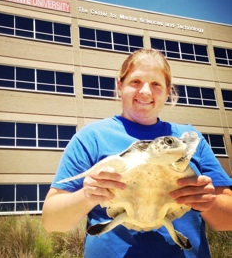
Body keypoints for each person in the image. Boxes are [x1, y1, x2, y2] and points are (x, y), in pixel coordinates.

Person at [42, 49, 232, 258]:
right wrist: (86, 196)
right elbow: (51, 221)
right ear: (120, 86)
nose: (145, 91)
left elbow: (228, 220)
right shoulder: (91, 138)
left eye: (156, 84)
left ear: (168, 90)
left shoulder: (190, 139)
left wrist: (209, 202)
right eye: (135, 81)